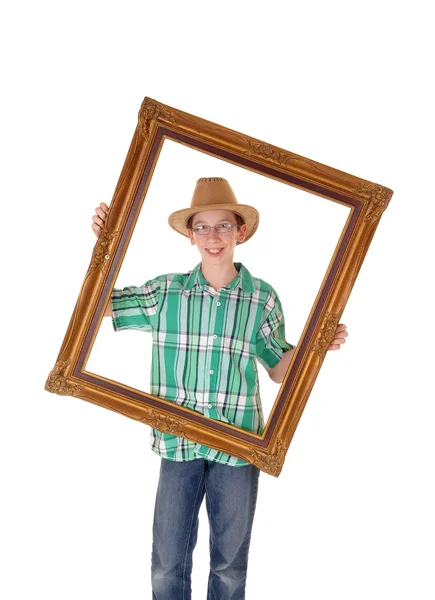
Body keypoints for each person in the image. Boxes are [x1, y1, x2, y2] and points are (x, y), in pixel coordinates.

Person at [91, 177, 348, 600]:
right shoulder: (165, 292)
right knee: (167, 564)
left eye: (224, 226)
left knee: (229, 567)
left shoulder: (261, 298)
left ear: (240, 232)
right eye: (203, 227)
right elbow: (99, 306)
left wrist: (316, 348)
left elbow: (280, 369)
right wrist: (106, 245)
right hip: (178, 444)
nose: (213, 236)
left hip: (239, 444)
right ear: (190, 236)